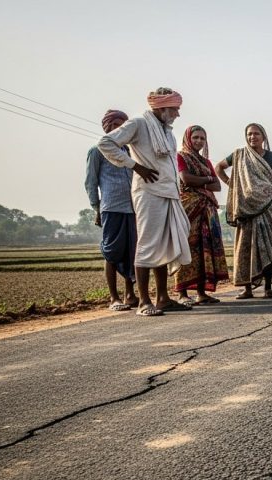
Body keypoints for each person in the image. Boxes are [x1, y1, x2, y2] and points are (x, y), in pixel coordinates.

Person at [97, 87, 192, 316]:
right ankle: (144, 302)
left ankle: (163, 298)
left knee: (164, 245)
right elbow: (105, 143)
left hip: (169, 192)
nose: (177, 114)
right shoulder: (138, 123)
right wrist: (135, 166)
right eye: (174, 109)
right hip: (148, 192)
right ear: (162, 107)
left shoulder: (167, 132)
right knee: (148, 244)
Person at [215, 123, 272, 299]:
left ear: (263, 137)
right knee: (245, 245)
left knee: (267, 245)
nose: (252, 137)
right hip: (245, 207)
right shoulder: (239, 155)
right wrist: (233, 185)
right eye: (249, 134)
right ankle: (247, 289)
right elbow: (218, 168)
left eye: (256, 134)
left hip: (267, 207)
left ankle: (268, 288)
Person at [85, 109, 137, 311]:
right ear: (107, 128)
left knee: (132, 252)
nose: (118, 130)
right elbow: (91, 182)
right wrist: (96, 208)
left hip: (132, 207)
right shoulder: (97, 150)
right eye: (115, 126)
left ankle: (130, 294)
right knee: (112, 252)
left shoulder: (129, 152)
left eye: (122, 127)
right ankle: (114, 298)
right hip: (111, 207)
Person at [173, 125, 228, 305]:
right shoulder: (180, 156)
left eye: (202, 138)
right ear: (187, 138)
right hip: (188, 208)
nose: (198, 141)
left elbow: (217, 186)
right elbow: (186, 179)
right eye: (195, 137)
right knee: (187, 247)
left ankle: (201, 292)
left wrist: (201, 182)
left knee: (205, 248)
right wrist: (207, 180)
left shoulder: (206, 162)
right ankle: (182, 293)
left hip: (207, 211)